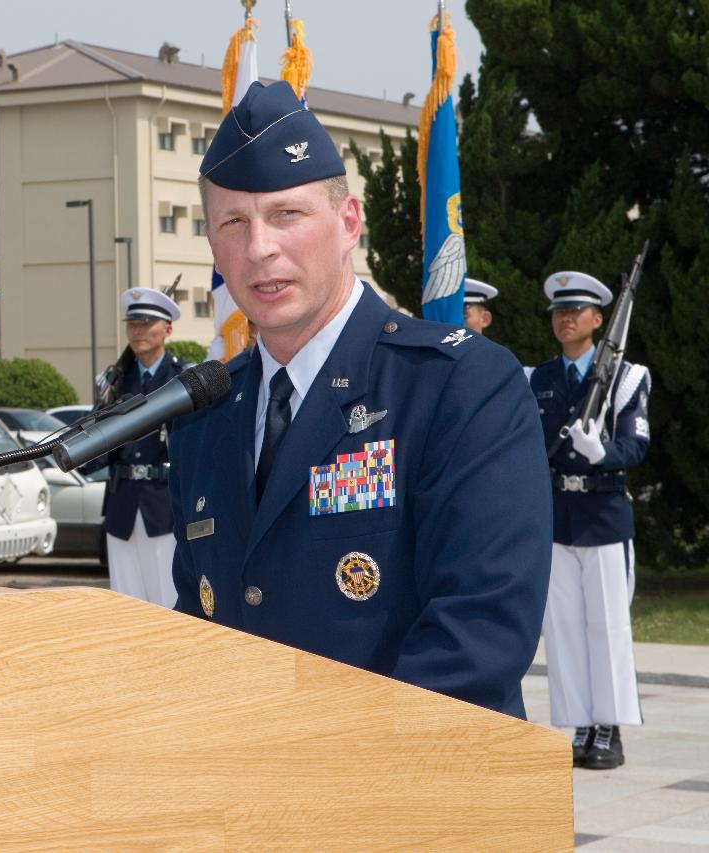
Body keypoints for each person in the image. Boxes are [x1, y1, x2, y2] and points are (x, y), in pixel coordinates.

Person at [169, 79, 552, 718]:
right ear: (212, 245)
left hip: (407, 794)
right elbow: (198, 623)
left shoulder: (459, 385)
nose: (260, 247)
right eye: (233, 222)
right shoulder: (206, 414)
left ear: (348, 224)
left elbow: (478, 637)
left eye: (287, 214)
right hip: (246, 795)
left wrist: (329, 775)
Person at [530, 271, 649, 769]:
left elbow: (637, 444)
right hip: (559, 517)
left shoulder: (627, 377)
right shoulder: (538, 378)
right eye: (559, 311)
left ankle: (609, 727)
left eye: (577, 311)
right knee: (565, 628)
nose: (566, 319)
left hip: (603, 516)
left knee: (606, 625)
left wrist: (603, 453)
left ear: (599, 320)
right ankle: (580, 721)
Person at [81, 287, 187, 607]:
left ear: (167, 329)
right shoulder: (114, 381)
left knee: (168, 601)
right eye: (133, 324)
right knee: (125, 603)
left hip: (164, 505)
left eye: (146, 324)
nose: (138, 331)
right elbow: (97, 448)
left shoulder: (182, 377)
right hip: (122, 505)